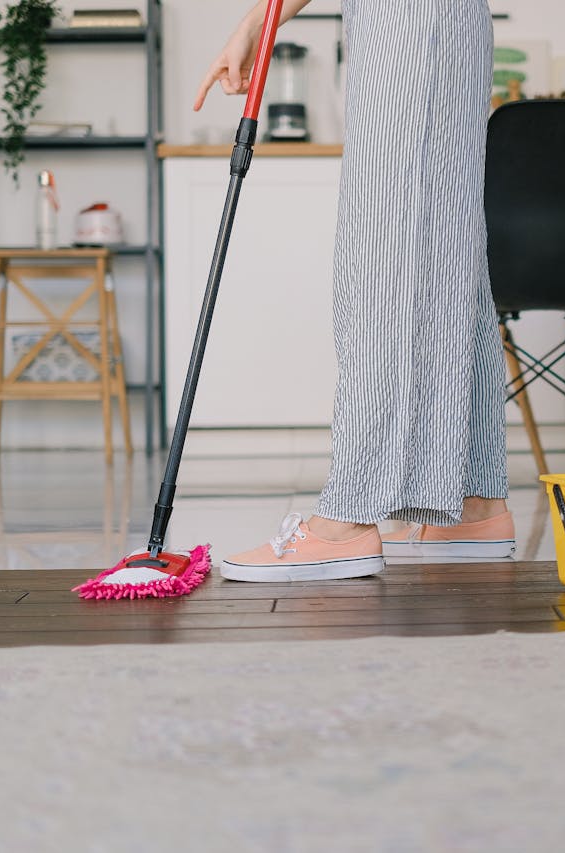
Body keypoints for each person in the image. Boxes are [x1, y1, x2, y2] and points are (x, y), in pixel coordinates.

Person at [194, 0, 513, 582]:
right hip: (430, 20)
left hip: (412, 21)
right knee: (443, 249)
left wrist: (256, 25)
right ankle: (474, 501)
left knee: (387, 256)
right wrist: (255, 26)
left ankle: (348, 518)